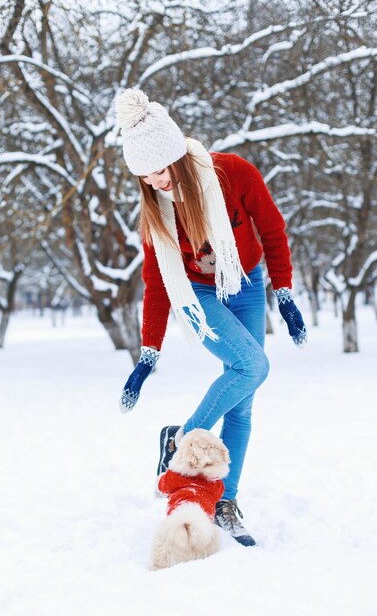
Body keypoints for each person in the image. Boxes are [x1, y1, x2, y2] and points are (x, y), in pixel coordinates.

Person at [116, 88, 307, 547]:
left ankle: (225, 500)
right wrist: (148, 353)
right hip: (197, 294)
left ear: (178, 156)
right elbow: (158, 281)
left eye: (161, 169)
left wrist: (283, 290)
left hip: (246, 281)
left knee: (242, 403)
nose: (157, 181)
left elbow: (273, 229)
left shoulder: (233, 174)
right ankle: (182, 437)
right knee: (253, 366)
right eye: (146, 176)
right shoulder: (156, 213)